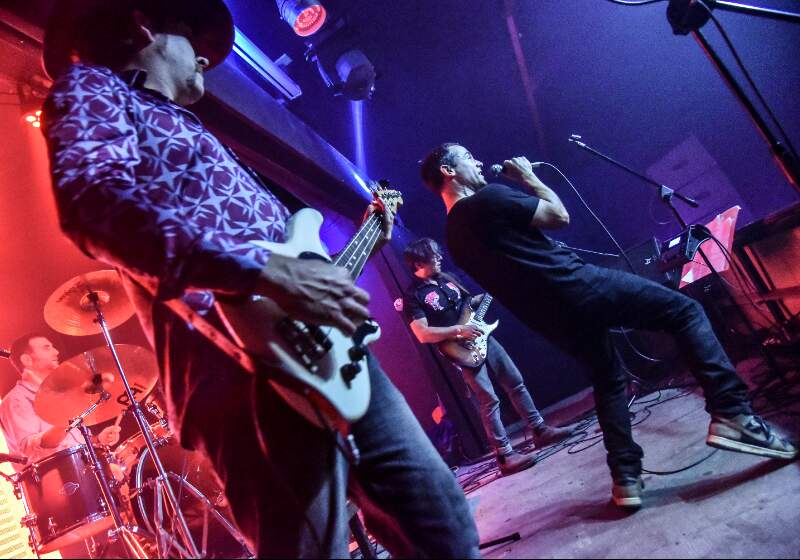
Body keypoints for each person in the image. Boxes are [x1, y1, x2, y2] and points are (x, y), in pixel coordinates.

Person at [39, 1, 479, 557]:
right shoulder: (93, 88)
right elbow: (92, 201)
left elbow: (290, 257)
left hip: (331, 354)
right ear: (141, 26)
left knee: (443, 525)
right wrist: (263, 270)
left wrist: (312, 275)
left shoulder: (188, 125)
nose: (204, 56)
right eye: (189, 35)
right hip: (235, 374)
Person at [419, 142, 797, 508]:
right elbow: (558, 216)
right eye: (468, 158)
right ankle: (733, 413)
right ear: (449, 171)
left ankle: (626, 478)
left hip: (548, 317)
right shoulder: (487, 199)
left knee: (608, 377)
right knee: (685, 312)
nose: (480, 163)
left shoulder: (453, 238)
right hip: (574, 285)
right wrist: (530, 177)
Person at [401, 238, 571, 475]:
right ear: (418, 262)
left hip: (485, 338)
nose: (440, 257)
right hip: (461, 351)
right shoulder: (413, 296)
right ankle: (504, 455)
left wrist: (481, 301)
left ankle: (540, 430)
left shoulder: (449, 279)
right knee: (489, 400)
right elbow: (423, 334)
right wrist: (460, 330)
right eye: (433, 255)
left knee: (515, 382)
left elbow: (468, 305)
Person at [0, 333, 121, 464]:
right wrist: (68, 418)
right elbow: (29, 450)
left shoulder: (58, 394)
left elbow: (71, 442)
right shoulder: (16, 400)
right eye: (47, 348)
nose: (56, 352)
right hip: (59, 477)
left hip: (85, 466)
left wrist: (97, 439)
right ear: (27, 360)